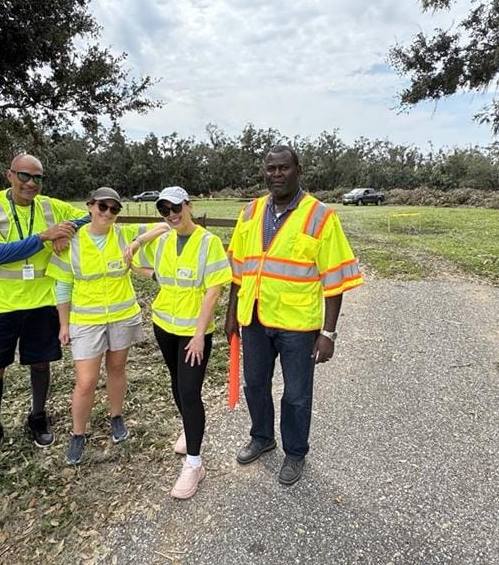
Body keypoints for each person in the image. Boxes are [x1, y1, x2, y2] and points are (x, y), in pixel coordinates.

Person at [224, 145, 363, 485]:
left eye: (283, 168)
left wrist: (328, 333)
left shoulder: (320, 216)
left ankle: (296, 452)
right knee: (255, 384)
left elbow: (335, 280)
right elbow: (238, 269)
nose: (276, 174)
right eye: (270, 169)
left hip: (298, 325)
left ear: (298, 169)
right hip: (254, 318)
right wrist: (231, 314)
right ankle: (262, 437)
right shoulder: (250, 212)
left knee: (296, 394)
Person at [0, 153, 87, 463]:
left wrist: (68, 230)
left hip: (40, 300)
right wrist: (44, 237)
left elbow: (91, 215)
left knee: (40, 362)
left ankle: (37, 416)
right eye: (25, 176)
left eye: (38, 178)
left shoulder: (50, 206)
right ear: (9, 175)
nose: (32, 183)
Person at [46, 187, 169, 466]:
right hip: (87, 321)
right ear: (89, 206)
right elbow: (63, 285)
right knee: (86, 381)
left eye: (114, 209)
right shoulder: (72, 242)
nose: (108, 213)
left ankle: (116, 416)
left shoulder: (123, 235)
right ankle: (78, 433)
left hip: (122, 315)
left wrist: (138, 243)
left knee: (116, 369)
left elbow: (164, 226)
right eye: (103, 207)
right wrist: (63, 324)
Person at [133, 186, 232, 499]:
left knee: (189, 391)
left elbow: (213, 291)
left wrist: (200, 335)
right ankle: (189, 430)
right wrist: (143, 241)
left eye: (176, 208)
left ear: (189, 205)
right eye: (164, 211)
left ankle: (194, 464)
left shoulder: (208, 243)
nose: (172, 215)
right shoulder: (162, 241)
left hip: (193, 331)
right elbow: (147, 267)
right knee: (177, 384)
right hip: (164, 325)